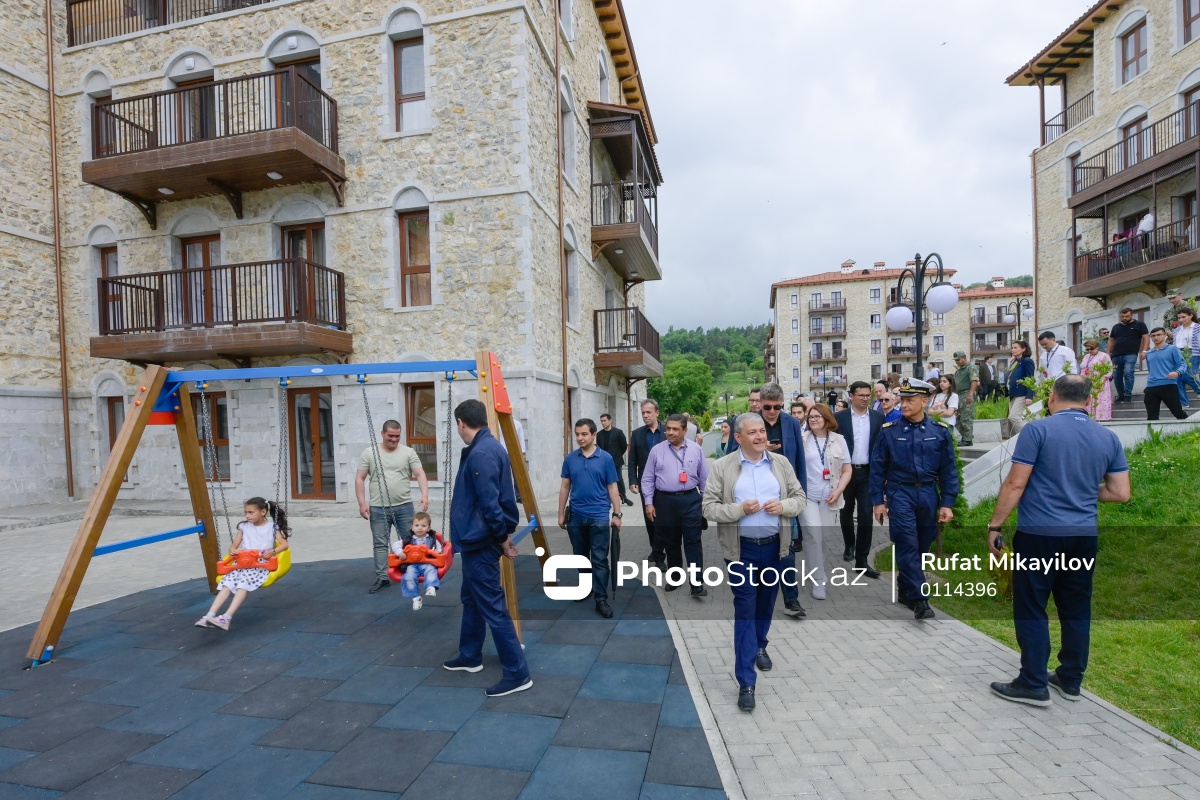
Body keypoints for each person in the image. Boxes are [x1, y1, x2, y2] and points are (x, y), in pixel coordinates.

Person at [985, 374, 1130, 707]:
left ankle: (1033, 683)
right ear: (1088, 400)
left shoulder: (1037, 430)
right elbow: (1120, 492)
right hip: (1083, 537)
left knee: (1031, 606)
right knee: (1076, 607)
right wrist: (1082, 490)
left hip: (1040, 536)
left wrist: (995, 525)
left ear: (1052, 397)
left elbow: (1015, 484)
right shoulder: (1107, 437)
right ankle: (1070, 679)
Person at [702, 412, 805, 713]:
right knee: (745, 610)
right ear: (738, 437)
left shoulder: (780, 463)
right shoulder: (722, 466)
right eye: (753, 432)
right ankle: (746, 682)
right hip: (741, 553)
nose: (760, 436)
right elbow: (708, 508)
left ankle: (760, 645)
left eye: (762, 431)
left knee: (765, 605)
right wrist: (739, 510)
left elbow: (800, 497)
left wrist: (783, 506)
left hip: (775, 549)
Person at [442, 399, 531, 698]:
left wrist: (502, 538)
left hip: (481, 541)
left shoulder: (481, 452)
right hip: (477, 539)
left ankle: (517, 673)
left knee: (493, 607)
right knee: (471, 598)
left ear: (461, 423)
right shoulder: (490, 447)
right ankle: (470, 655)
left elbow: (490, 504)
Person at [870, 378, 959, 620]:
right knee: (907, 542)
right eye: (903, 399)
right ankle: (920, 600)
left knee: (921, 545)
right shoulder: (889, 431)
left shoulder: (939, 432)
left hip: (928, 494)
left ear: (925, 401)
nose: (905, 404)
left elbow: (948, 470)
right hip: (900, 493)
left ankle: (905, 587)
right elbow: (878, 468)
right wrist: (878, 501)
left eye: (910, 400)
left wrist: (947, 503)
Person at [736, 383, 809, 617]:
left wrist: (800, 497)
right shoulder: (747, 422)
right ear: (760, 404)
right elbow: (731, 457)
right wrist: (758, 447)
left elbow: (799, 460)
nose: (772, 411)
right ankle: (757, 596)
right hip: (753, 496)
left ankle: (792, 600)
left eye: (777, 407)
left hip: (784, 496)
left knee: (787, 551)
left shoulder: (791, 423)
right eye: (767, 407)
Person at [355, 420, 430, 594]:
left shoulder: (408, 452)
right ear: (382, 433)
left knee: (409, 540)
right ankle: (382, 577)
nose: (394, 439)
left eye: (397, 436)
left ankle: (410, 571)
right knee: (380, 543)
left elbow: (420, 474)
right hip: (378, 507)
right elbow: (360, 478)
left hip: (404, 506)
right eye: (390, 436)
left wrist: (425, 495)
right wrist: (362, 502)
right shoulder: (369, 453)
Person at [558, 418, 623, 618]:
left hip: (599, 517)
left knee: (600, 559)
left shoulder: (606, 458)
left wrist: (617, 514)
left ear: (594, 435)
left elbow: (612, 487)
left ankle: (601, 599)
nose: (580, 438)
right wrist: (560, 513)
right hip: (576, 517)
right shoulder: (570, 459)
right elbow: (565, 486)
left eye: (584, 434)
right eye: (577, 434)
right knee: (580, 556)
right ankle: (586, 587)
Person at [196, 497, 290, 630]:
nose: (247, 515)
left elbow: (284, 545)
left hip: (260, 564)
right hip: (242, 563)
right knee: (227, 584)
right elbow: (233, 546)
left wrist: (272, 551)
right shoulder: (244, 527)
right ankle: (209, 616)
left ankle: (226, 618)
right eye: (246, 512)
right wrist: (233, 551)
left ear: (263, 512)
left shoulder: (272, 527)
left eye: (251, 512)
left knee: (242, 584)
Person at [642, 414, 709, 595]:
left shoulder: (696, 449)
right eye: (668, 429)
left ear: (685, 430)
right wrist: (649, 502)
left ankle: (696, 583)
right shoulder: (657, 450)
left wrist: (706, 503)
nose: (670, 432)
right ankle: (675, 578)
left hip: (691, 500)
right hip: (665, 502)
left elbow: (704, 479)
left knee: (693, 542)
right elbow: (647, 479)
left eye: (675, 429)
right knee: (671, 542)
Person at [799, 404, 851, 601]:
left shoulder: (839, 440)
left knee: (825, 538)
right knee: (813, 535)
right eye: (810, 417)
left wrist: (838, 491)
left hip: (830, 496)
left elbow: (847, 470)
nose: (813, 419)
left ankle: (817, 569)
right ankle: (819, 579)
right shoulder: (802, 439)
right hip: (808, 496)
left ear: (827, 418)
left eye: (817, 416)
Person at [834, 381, 883, 578]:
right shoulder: (840, 418)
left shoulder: (878, 417)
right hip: (846, 472)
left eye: (867, 395)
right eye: (861, 395)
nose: (865, 398)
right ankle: (849, 544)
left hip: (868, 473)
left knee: (865, 514)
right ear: (851, 396)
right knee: (845, 511)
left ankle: (862, 560)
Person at [629, 399, 668, 570]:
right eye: (643, 412)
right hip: (646, 484)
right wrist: (632, 481)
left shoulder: (668, 431)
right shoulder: (637, 434)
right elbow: (632, 460)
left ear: (657, 413)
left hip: (666, 483)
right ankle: (656, 549)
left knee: (664, 519)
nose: (645, 415)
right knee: (650, 519)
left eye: (648, 412)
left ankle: (661, 551)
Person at [391, 512, 442, 611]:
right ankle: (416, 597)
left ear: (428, 528)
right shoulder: (407, 539)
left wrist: (437, 552)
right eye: (417, 525)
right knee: (408, 577)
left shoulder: (432, 539)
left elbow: (439, 549)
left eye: (423, 526)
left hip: (427, 563)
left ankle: (431, 587)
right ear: (412, 527)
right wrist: (400, 552)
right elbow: (395, 545)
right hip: (412, 565)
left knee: (431, 571)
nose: (420, 528)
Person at [1141, 327, 1189, 420]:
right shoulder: (1149, 353)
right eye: (1153, 336)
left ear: (1165, 336)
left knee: (1177, 412)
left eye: (1159, 335)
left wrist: (1177, 372)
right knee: (1151, 416)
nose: (1156, 337)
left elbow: (1183, 364)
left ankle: (1192, 427)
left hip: (1168, 385)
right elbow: (1151, 369)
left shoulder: (1173, 349)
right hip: (1151, 386)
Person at [1106, 308, 1149, 403]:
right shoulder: (1116, 327)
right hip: (1116, 355)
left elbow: (1146, 337)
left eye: (1127, 316)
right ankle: (1121, 395)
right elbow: (1111, 340)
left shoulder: (1140, 325)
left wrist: (1144, 351)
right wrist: (1108, 353)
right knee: (1116, 376)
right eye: (1122, 316)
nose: (1124, 318)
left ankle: (1127, 395)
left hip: (1131, 354)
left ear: (1132, 315)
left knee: (1128, 372)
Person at [597, 413, 633, 506]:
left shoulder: (618, 432)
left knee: (619, 480)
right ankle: (606, 498)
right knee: (604, 480)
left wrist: (618, 455)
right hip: (603, 462)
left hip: (616, 461)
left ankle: (623, 497)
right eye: (601, 421)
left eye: (605, 421)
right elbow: (599, 448)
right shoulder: (599, 434)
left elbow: (624, 446)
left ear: (610, 421)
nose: (603, 423)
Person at [1005, 341, 1037, 439]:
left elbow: (1030, 379)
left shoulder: (1026, 361)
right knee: (1011, 419)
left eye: (1015, 348)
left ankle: (1031, 436)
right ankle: (1017, 440)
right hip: (1013, 393)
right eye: (1012, 348)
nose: (1013, 350)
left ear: (1023, 349)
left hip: (1022, 393)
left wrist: (1029, 395)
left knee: (1014, 416)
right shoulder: (1015, 362)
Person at [1172, 307, 1200, 408]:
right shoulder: (1176, 330)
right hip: (1177, 353)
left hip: (1192, 352)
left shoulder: (1197, 328)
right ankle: (1184, 404)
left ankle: (1199, 390)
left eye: (1183, 317)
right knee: (1178, 380)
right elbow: (1174, 344)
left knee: (1187, 375)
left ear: (1191, 316)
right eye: (1179, 318)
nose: (1181, 320)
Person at [1079, 339, 1113, 421]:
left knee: (1099, 400)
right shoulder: (1087, 356)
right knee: (1089, 400)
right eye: (1087, 349)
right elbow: (1083, 369)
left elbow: (1109, 369)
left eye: (1091, 349)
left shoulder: (1104, 356)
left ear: (1097, 347)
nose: (1089, 351)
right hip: (1087, 382)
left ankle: (1101, 417)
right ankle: (1089, 417)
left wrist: (1101, 381)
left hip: (1100, 381)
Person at [951, 351, 979, 447]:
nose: (957, 362)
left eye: (958, 360)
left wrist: (970, 394)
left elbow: (974, 380)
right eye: (955, 360)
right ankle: (967, 436)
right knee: (956, 418)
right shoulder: (959, 371)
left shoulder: (970, 367)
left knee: (966, 417)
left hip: (966, 394)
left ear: (964, 357)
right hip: (958, 395)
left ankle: (967, 440)